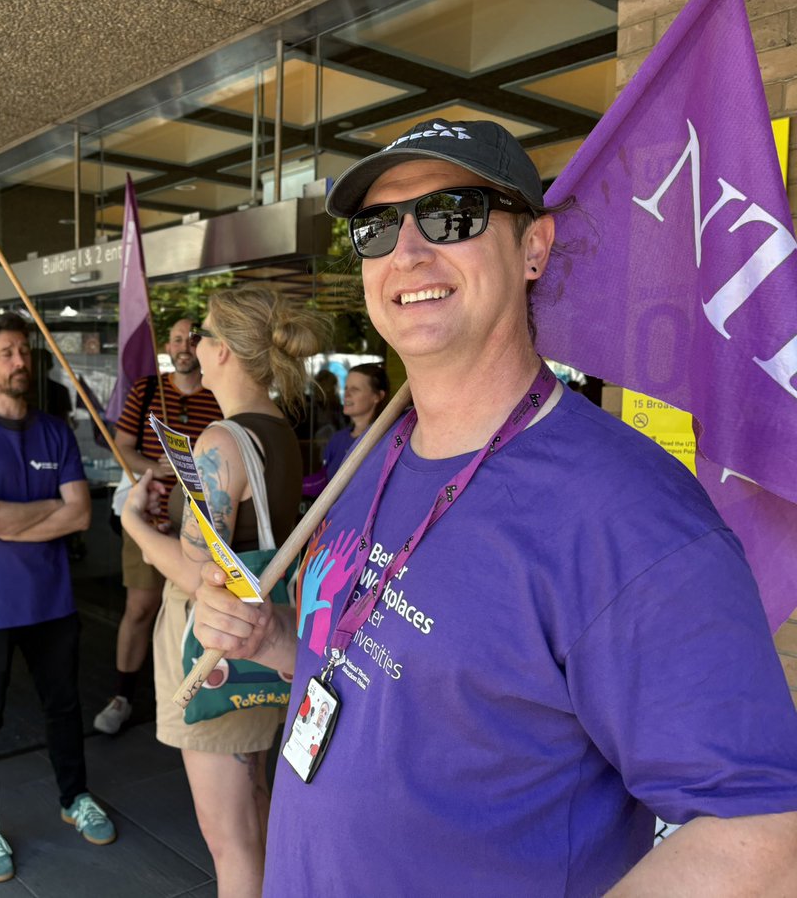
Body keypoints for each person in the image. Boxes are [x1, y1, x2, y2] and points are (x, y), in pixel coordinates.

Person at [191, 119, 797, 895]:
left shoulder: (628, 513)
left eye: (452, 215)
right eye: (378, 228)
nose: (408, 251)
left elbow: (764, 832)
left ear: (534, 248)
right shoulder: (374, 458)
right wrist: (275, 636)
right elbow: (386, 674)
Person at [121, 288, 330, 896]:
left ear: (225, 351)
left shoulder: (221, 441)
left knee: (229, 840)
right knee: (254, 813)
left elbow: (199, 575)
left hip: (214, 645)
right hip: (262, 644)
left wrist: (134, 523)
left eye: (203, 334)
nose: (193, 346)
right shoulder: (278, 431)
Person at [0, 314, 115, 882]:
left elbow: (80, 515)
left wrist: (8, 517)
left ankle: (75, 797)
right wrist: (44, 510)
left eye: (24, 351)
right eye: (7, 353)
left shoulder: (54, 431)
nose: (21, 362)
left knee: (63, 706)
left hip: (50, 598)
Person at [93, 318, 222, 736]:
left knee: (198, 610)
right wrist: (157, 467)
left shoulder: (218, 394)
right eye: (177, 339)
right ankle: (122, 696)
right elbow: (123, 449)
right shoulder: (147, 390)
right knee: (140, 608)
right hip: (149, 521)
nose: (185, 346)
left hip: (202, 529)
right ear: (167, 346)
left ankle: (193, 691)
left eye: (192, 339)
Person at [321, 362, 389, 479]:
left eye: (355, 389)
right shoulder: (337, 439)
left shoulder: (386, 441)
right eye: (346, 388)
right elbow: (324, 480)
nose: (346, 395)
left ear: (378, 396)